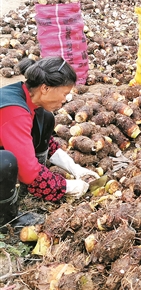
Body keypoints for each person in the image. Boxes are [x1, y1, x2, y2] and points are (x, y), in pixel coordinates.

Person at [0, 57, 99, 228]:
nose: (65, 99)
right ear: (45, 88)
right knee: (4, 162)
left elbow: (44, 140)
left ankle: (33, 185)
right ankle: (7, 218)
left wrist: (74, 167)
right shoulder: (15, 111)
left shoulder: (29, 98)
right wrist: (66, 187)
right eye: (64, 93)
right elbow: (28, 171)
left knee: (46, 119)